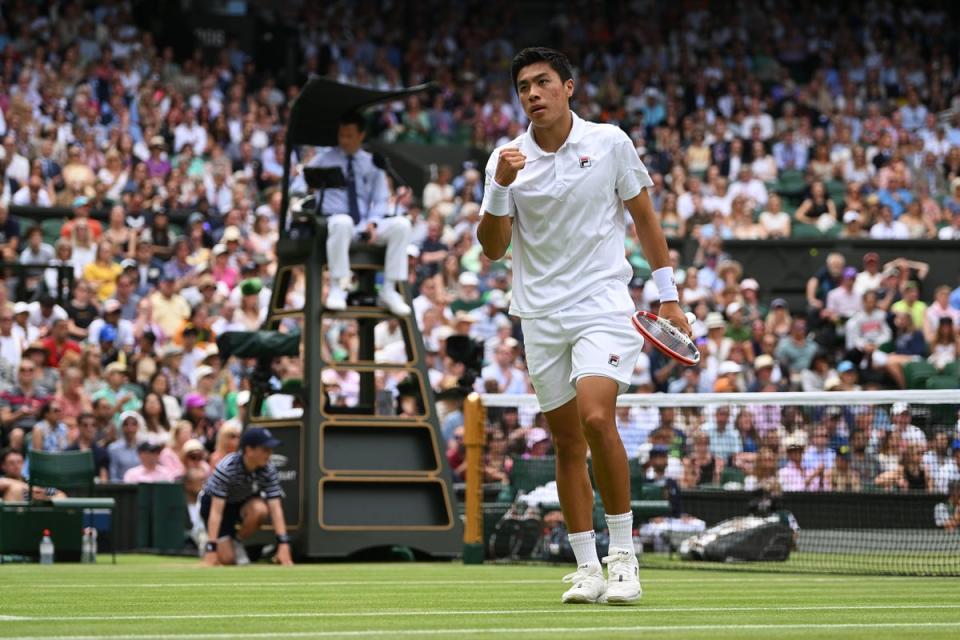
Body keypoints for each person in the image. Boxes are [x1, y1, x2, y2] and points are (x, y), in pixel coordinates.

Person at [476, 47, 690, 605]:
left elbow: (644, 218)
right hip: (539, 316)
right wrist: (499, 184)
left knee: (597, 417)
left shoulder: (610, 141)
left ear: (568, 87)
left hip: (602, 303)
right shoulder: (508, 160)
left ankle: (624, 559)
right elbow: (494, 249)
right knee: (567, 443)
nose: (532, 93)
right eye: (523, 86)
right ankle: (588, 567)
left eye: (543, 82)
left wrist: (669, 300)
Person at [298, 112, 412, 316]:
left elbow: (379, 199)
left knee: (402, 225)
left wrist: (374, 223)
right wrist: (310, 190)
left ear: (361, 135)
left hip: (364, 226)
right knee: (342, 222)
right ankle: (337, 287)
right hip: (333, 225)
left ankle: (389, 289)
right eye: (341, 135)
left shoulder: (372, 163)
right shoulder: (324, 159)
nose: (344, 140)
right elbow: (297, 187)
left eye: (349, 135)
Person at [199, 427, 293, 566]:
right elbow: (216, 512)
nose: (270, 454)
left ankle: (235, 541)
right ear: (249, 450)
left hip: (239, 504)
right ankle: (208, 542)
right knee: (227, 560)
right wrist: (211, 549)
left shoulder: (269, 469)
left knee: (260, 509)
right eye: (265, 450)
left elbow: (275, 508)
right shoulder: (227, 468)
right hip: (214, 506)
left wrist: (283, 544)